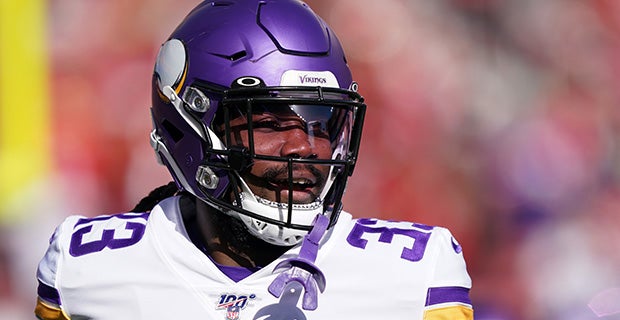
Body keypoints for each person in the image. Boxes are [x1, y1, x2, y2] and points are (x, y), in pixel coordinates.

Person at [34, 0, 474, 319]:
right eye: (268, 121)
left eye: (321, 120)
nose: (305, 146)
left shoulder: (414, 277)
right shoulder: (86, 270)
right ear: (190, 126)